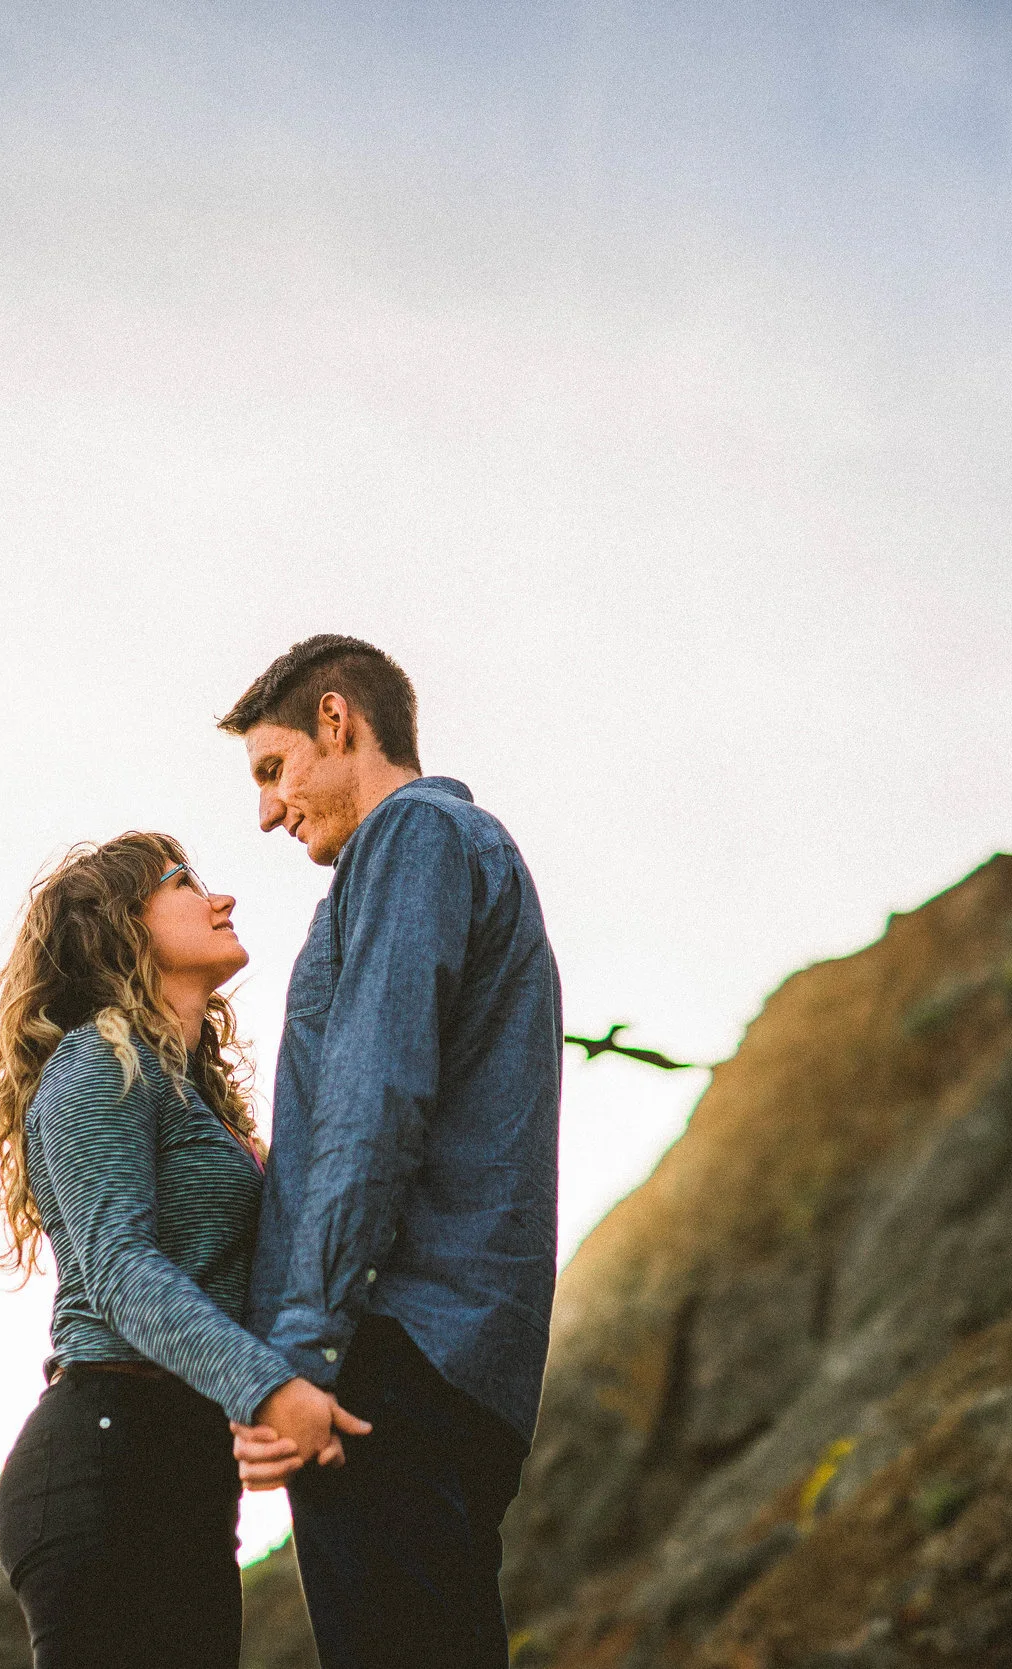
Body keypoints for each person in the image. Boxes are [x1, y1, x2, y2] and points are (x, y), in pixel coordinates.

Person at [220, 636, 563, 1669]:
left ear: (338, 721)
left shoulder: (412, 838)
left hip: (387, 1356)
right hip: (459, 1361)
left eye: (273, 771)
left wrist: (303, 1357)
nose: (269, 812)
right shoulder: (459, 852)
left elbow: (376, 1098)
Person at [0, 832, 368, 1668]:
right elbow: (119, 1272)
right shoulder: (96, 1064)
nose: (222, 898)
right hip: (104, 1456)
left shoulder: (197, 1102)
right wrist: (268, 1386)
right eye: (184, 883)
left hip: (184, 1467)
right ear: (122, 927)